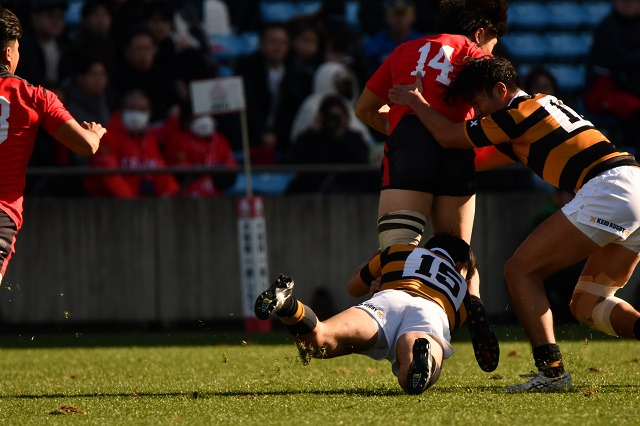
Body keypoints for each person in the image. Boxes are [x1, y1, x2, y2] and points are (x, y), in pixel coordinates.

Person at [388, 56, 640, 392]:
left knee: (520, 270)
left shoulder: (516, 114)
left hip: (610, 189)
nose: (477, 112)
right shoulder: (536, 110)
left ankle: (552, 374)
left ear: (500, 90)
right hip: (631, 185)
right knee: (588, 304)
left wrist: (416, 101)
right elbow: (476, 159)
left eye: (477, 102)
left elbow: (450, 136)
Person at [354, 0, 507, 370]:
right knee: (458, 256)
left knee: (398, 254)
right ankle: (472, 303)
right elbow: (501, 112)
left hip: (409, 148)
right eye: (493, 42)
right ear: (480, 33)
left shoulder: (404, 50)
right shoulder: (477, 56)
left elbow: (364, 109)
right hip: (457, 149)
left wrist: (398, 125)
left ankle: (406, 352)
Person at [254, 233, 483, 395]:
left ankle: (288, 305)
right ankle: (423, 353)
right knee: (412, 378)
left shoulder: (399, 252)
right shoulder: (463, 292)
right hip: (431, 313)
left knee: (321, 339)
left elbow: (354, 287)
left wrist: (381, 255)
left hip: (388, 300)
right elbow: (454, 319)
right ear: (461, 266)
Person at [0, 7, 104, 284]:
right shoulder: (35, 97)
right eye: (18, 49)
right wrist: (95, 133)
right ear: (9, 54)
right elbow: (86, 146)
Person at [84, 89, 179, 198]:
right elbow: (108, 175)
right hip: (113, 203)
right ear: (122, 110)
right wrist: (132, 202)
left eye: (141, 110)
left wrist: (173, 197)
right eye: (132, 109)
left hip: (147, 202)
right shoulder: (106, 136)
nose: (136, 114)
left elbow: (162, 173)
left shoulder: (149, 138)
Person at [583, 0, 640, 152]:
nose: (628, 3)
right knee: (634, 109)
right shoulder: (607, 28)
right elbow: (619, 60)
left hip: (632, 89)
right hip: (608, 90)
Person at [286, 95, 373, 193]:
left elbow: (363, 162)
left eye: (338, 116)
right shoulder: (313, 137)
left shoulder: (354, 138)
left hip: (348, 188)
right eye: (331, 117)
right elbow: (294, 160)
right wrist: (311, 133)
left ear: (345, 117)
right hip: (315, 187)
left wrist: (343, 136)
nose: (335, 120)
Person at [160, 102, 237, 197]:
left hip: (215, 196)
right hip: (186, 196)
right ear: (186, 121)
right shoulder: (178, 141)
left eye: (206, 115)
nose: (204, 120)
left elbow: (229, 170)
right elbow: (181, 174)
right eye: (199, 116)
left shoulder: (220, 140)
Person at [363, 0, 423, 73]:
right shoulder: (374, 46)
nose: (399, 19)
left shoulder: (423, 44)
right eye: (395, 14)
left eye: (403, 14)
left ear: (413, 17)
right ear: (386, 17)